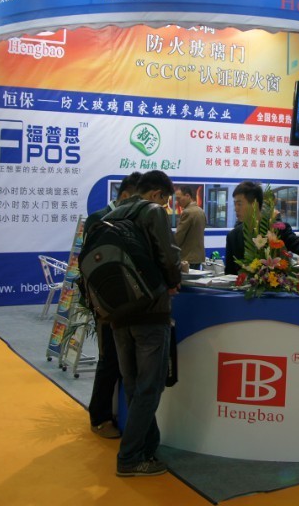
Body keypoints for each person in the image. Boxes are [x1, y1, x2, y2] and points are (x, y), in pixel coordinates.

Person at [102, 170, 181, 477]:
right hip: (150, 310)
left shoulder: (113, 213)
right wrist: (173, 280)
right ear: (156, 194)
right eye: (165, 200)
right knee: (149, 387)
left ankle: (148, 446)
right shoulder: (152, 212)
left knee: (134, 386)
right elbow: (168, 256)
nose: (165, 206)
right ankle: (130, 457)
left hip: (119, 313)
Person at [80, 170, 142, 440]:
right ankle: (99, 417)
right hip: (106, 303)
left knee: (122, 359)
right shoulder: (99, 220)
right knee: (109, 359)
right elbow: (92, 265)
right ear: (125, 195)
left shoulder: (130, 219)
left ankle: (116, 411)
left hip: (128, 303)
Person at [224, 180, 299, 275]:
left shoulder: (276, 228)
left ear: (255, 204)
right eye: (235, 204)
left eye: (239, 204)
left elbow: (294, 240)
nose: (235, 209)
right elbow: (230, 273)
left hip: (276, 283)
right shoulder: (233, 236)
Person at [173, 185, 206, 268]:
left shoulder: (187, 212)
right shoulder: (200, 211)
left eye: (178, 198)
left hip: (187, 257)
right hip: (198, 256)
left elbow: (179, 235)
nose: (177, 202)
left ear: (187, 196)